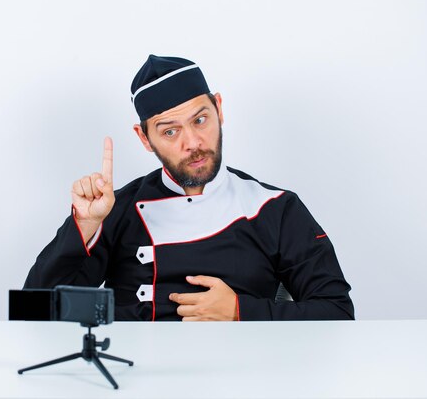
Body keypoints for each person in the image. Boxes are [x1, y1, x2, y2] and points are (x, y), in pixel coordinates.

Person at [24, 55, 354, 321]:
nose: (192, 143)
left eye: (200, 120)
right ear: (144, 138)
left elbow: (336, 312)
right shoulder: (116, 209)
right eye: (170, 132)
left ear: (219, 109)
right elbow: (33, 311)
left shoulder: (276, 207)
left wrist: (241, 311)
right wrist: (83, 226)